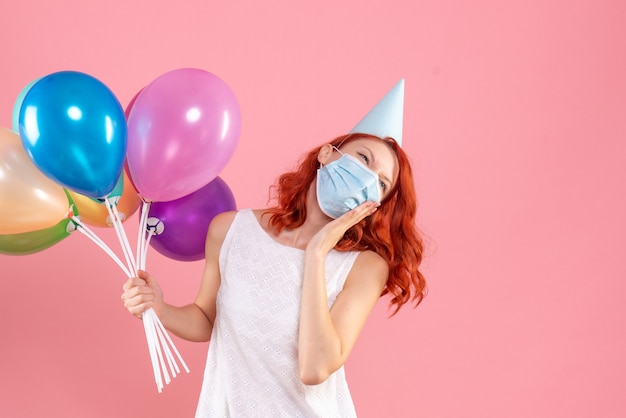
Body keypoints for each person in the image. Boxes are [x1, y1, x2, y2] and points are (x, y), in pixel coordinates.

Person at [121, 81, 427, 417]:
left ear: (376, 203)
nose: (366, 177)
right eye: (363, 159)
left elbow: (316, 368)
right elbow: (208, 319)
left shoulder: (364, 265)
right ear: (328, 154)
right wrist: (160, 309)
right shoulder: (230, 230)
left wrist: (316, 254)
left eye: (380, 183)